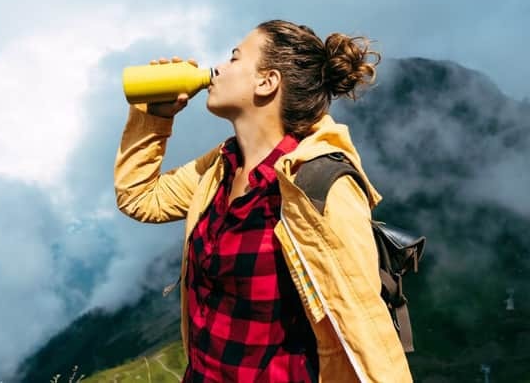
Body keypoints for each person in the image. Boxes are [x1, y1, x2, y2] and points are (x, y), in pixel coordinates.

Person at [114, 20, 413, 382]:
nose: (219, 69)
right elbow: (140, 198)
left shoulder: (318, 185)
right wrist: (155, 116)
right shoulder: (223, 165)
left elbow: (364, 326)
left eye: (235, 58)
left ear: (266, 82)